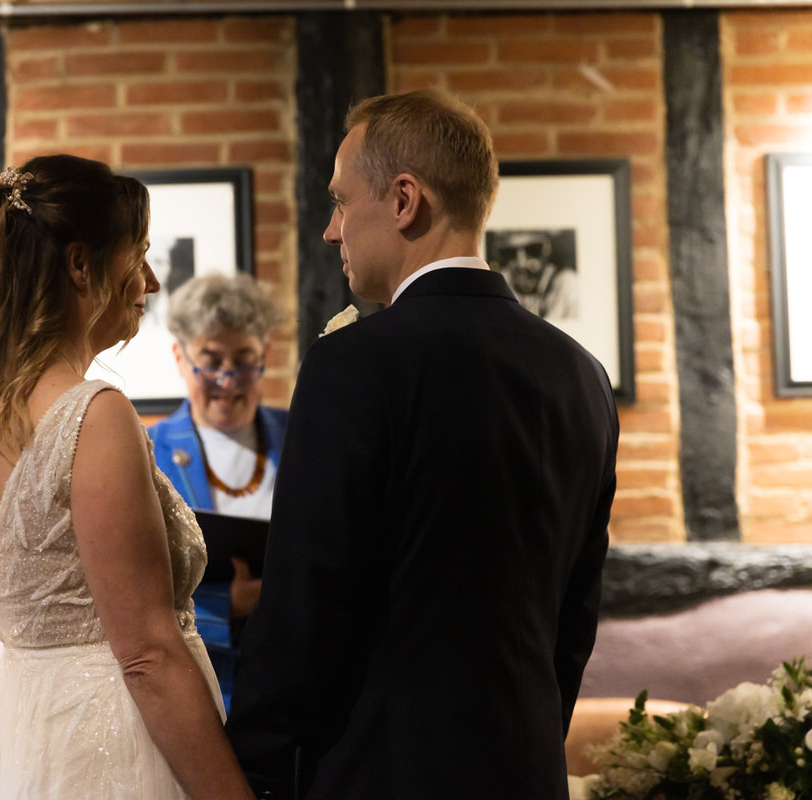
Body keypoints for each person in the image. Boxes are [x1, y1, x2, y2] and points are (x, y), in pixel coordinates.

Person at [225, 90, 619, 800]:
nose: (330, 230)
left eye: (342, 202)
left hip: (377, 771)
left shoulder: (353, 364)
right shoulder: (581, 375)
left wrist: (250, 770)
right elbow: (572, 620)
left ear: (404, 200)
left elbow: (306, 606)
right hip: (524, 773)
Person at [0, 155, 254, 800]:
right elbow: (148, 656)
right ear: (81, 265)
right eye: (138, 256)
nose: (152, 283)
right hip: (114, 754)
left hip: (23, 744)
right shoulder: (91, 414)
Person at [147, 273, 287, 707]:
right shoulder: (151, 453)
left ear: (264, 355)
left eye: (244, 359)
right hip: (201, 695)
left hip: (298, 685)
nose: (228, 379)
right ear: (179, 357)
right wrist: (227, 605)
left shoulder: (300, 435)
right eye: (210, 360)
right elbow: (132, 606)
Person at [487, 229, 579, 320]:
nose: (521, 264)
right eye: (510, 252)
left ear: (548, 250)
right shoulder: (500, 285)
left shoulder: (568, 284)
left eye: (533, 250)